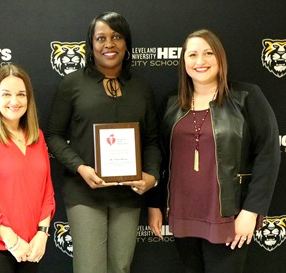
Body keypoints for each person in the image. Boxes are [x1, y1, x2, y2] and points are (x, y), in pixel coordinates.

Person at [154, 29, 280, 273]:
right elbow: (158, 156)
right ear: (183, 62)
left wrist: (251, 211)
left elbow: (268, 154)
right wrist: (154, 205)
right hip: (183, 213)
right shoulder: (171, 103)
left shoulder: (246, 97)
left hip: (228, 215)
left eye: (208, 53)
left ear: (220, 58)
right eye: (192, 55)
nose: (200, 61)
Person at [46, 12, 161, 273]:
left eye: (116, 37)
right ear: (91, 44)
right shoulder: (72, 84)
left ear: (126, 43)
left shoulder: (141, 88)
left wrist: (151, 176)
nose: (109, 44)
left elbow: (152, 141)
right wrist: (80, 167)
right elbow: (52, 135)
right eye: (101, 38)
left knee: (120, 267)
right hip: (85, 191)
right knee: (90, 268)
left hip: (128, 194)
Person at [0, 64, 55, 273]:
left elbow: (47, 192)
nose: (14, 101)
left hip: (32, 245)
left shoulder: (37, 136)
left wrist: (42, 233)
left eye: (21, 94)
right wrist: (12, 240)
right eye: (6, 94)